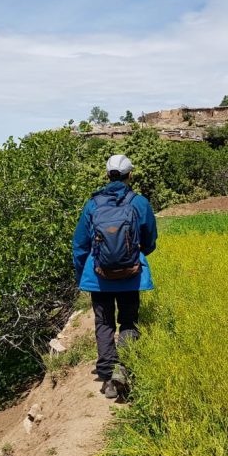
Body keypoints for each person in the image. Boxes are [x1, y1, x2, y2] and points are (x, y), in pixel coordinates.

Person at [72, 154, 158, 399]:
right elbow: (150, 239)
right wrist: (136, 253)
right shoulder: (139, 203)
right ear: (130, 175)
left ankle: (108, 376)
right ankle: (124, 368)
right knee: (129, 320)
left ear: (107, 175)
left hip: (99, 276)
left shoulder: (93, 205)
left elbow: (79, 245)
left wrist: (82, 275)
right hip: (131, 274)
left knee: (104, 322)